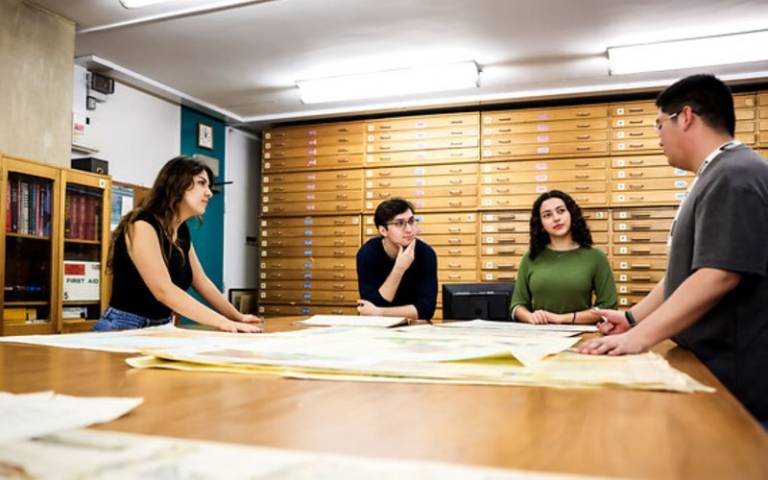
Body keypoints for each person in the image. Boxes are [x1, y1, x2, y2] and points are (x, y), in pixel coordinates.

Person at [578, 74, 768, 427]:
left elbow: (718, 275)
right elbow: (685, 275)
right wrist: (633, 318)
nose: (658, 137)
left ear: (686, 116)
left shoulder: (734, 174)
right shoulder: (715, 175)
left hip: (740, 381)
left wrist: (640, 338)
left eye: (659, 125)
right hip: (711, 367)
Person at [93, 156, 262, 333]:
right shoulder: (143, 225)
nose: (209, 192)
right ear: (177, 184)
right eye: (201, 183)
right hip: (123, 327)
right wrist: (221, 322)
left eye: (209, 186)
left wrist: (237, 317)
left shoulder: (181, 230)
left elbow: (201, 281)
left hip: (161, 327)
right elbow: (163, 290)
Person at [510, 190, 617, 324]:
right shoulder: (530, 258)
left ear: (571, 214)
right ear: (541, 224)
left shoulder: (596, 257)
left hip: (582, 334)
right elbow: (517, 305)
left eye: (561, 211)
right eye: (547, 215)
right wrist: (531, 317)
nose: (556, 218)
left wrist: (563, 319)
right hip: (539, 334)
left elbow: (608, 306)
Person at [356, 198, 437, 321]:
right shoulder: (367, 253)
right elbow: (370, 307)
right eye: (399, 223)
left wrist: (380, 312)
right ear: (383, 230)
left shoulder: (426, 254)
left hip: (415, 327)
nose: (409, 229)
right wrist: (399, 269)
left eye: (411, 221)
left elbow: (426, 310)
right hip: (377, 328)